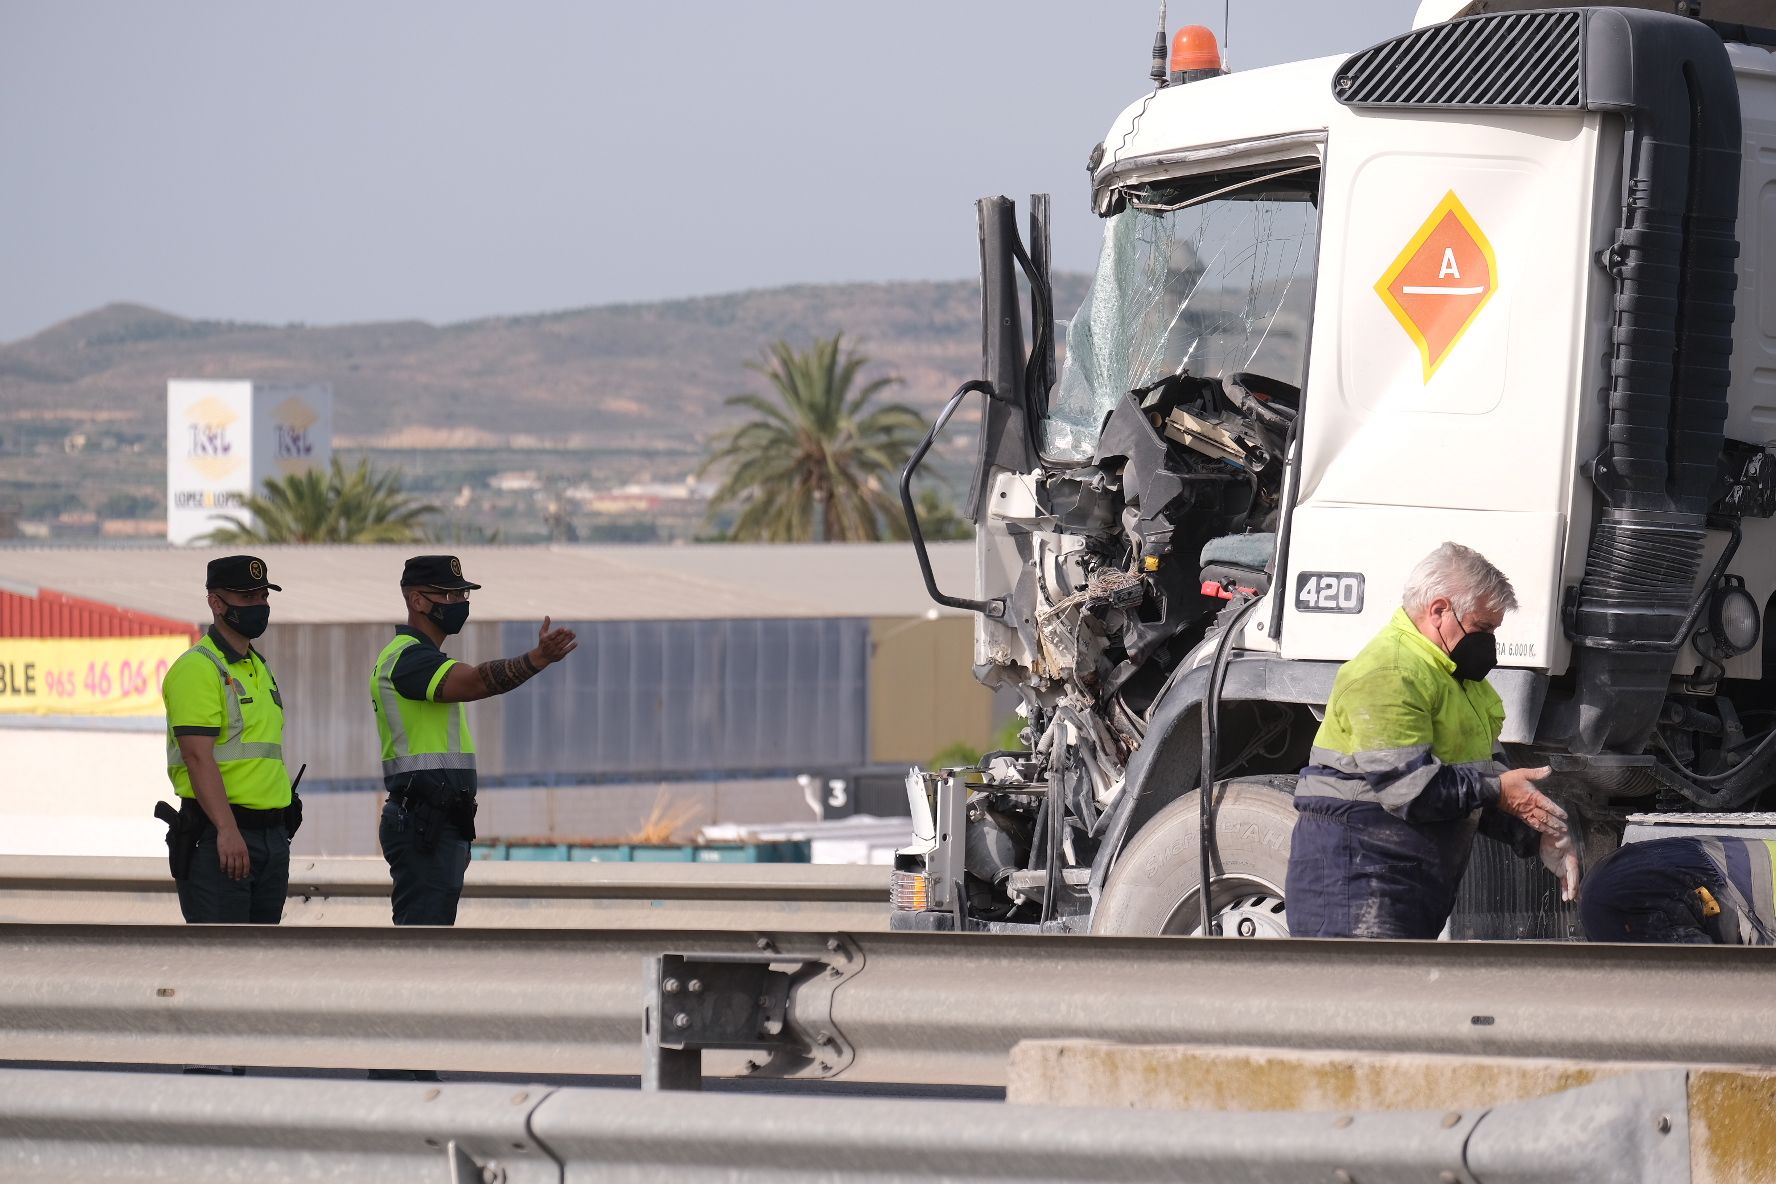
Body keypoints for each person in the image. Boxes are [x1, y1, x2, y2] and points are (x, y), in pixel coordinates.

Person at [1285, 542, 1580, 939]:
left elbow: (1481, 789)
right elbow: (1411, 790)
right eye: (1483, 628)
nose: (1490, 642)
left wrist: (1540, 830)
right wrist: (1498, 791)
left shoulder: (1462, 684)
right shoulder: (1389, 672)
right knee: (1363, 997)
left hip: (1407, 877)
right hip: (1356, 876)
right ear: (1440, 610)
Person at [371, 554, 577, 926]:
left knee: (432, 939)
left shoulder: (426, 659)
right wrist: (536, 659)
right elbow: (478, 681)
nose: (460, 603)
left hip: (439, 822)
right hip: (421, 823)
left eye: (463, 594)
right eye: (449, 595)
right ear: (417, 601)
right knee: (423, 948)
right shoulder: (407, 661)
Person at [159, 554, 298, 924]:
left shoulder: (259, 666)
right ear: (216, 603)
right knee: (223, 967)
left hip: (269, 839)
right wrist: (227, 829)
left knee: (259, 968)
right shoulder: (197, 669)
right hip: (221, 838)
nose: (260, 605)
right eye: (247, 597)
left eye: (263, 596)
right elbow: (197, 757)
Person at [1579, 834, 1775, 945]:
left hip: (1759, 894)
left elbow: (1698, 970)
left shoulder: (1610, 923)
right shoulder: (1606, 885)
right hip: (1754, 856)